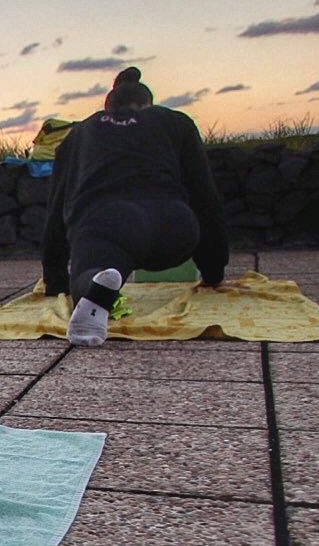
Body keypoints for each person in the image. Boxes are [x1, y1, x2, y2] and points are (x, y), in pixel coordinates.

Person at [41, 67, 229, 346]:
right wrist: (214, 273)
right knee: (160, 229)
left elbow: (56, 210)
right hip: (174, 224)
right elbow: (205, 198)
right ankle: (105, 278)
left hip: (107, 224)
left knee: (88, 277)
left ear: (108, 107)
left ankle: (97, 286)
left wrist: (56, 281)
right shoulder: (174, 121)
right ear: (148, 104)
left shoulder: (80, 133)